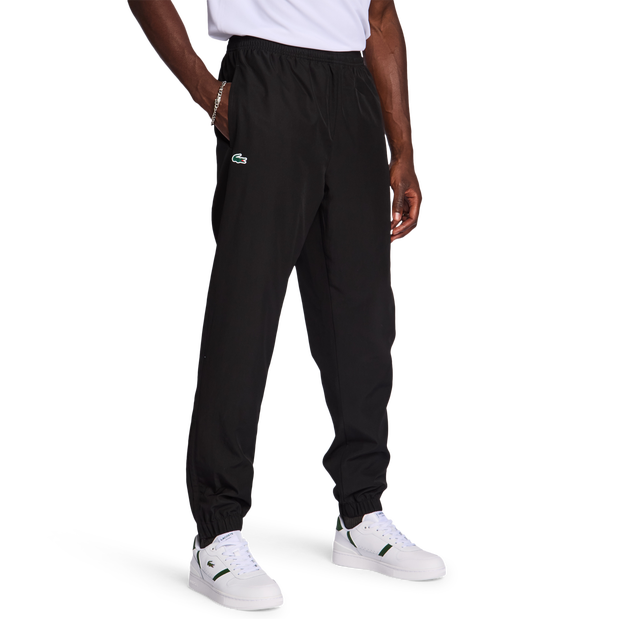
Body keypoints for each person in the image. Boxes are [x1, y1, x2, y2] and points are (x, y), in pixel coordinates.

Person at [126, 0, 447, 610]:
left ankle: (361, 513)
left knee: (362, 319)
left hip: (351, 89)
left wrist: (403, 147)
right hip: (266, 80)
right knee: (245, 314)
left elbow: (379, 15)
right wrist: (209, 92)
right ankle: (217, 533)